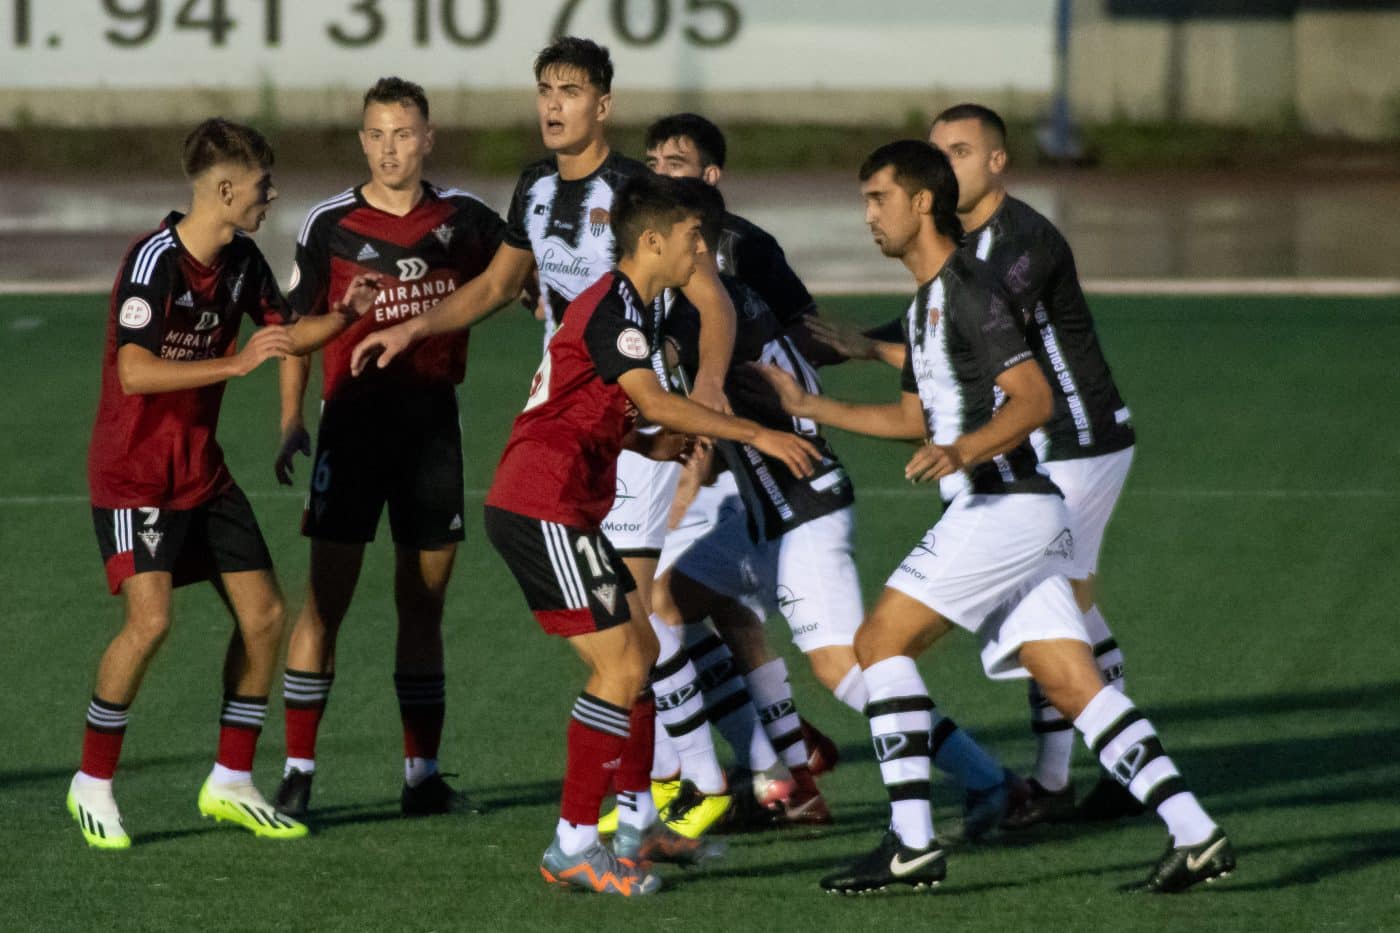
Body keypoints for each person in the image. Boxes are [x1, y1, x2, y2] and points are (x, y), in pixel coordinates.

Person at [762, 140, 1233, 895]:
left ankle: (910, 844)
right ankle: (1196, 831)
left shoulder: (973, 293)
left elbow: (1035, 397)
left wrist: (964, 451)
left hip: (1004, 504)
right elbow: (917, 418)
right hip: (1013, 512)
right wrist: (811, 407)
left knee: (879, 642)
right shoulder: (925, 306)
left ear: (922, 203)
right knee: (1074, 684)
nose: (868, 217)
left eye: (878, 199)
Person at [353, 38, 739, 837]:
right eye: (543, 89)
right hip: (576, 415)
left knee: (631, 628)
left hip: (632, 414)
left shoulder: (641, 191)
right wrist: (415, 327)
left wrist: (702, 389)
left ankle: (636, 809)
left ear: (604, 104)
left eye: (570, 89)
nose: (552, 104)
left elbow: (713, 298)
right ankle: (636, 809)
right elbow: (497, 285)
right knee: (628, 635)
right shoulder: (533, 185)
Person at [643, 117, 1014, 835]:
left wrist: (679, 468)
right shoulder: (728, 299)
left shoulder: (708, 312)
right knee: (665, 604)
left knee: (849, 672)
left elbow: (699, 407)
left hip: (803, 510)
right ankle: (747, 770)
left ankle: (991, 779)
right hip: (766, 512)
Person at [480, 171, 819, 893]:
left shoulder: (636, 305)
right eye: (694, 237)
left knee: (636, 652)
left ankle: (628, 830)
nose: (703, 247)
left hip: (562, 503)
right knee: (623, 666)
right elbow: (653, 396)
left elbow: (585, 403)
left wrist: (645, 445)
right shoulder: (618, 309)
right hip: (541, 504)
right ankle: (575, 842)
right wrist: (754, 430)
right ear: (657, 241)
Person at [811, 104, 1143, 825]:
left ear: (998, 162)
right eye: (939, 152)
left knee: (1063, 607)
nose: (948, 164)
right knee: (1059, 607)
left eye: (962, 151)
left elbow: (969, 355)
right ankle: (1097, 779)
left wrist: (862, 349)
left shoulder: (1022, 244)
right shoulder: (964, 246)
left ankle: (1064, 783)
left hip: (1074, 438)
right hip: (1030, 443)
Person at [71, 118, 379, 850]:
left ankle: (232, 779)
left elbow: (280, 332)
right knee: (150, 623)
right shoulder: (153, 262)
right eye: (264, 186)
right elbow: (134, 371)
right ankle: (92, 782)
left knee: (267, 613)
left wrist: (344, 316)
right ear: (228, 188)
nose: (271, 197)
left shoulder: (241, 259)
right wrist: (233, 366)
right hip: (134, 476)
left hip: (199, 473)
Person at [270, 77, 506, 819]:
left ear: (427, 137)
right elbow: (296, 329)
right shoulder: (330, 222)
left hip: (433, 428)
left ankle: (422, 775)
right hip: (353, 425)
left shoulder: (466, 219)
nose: (390, 147)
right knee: (325, 602)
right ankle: (299, 771)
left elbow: (521, 283)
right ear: (362, 140)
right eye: (376, 134)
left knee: (423, 603)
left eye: (403, 133)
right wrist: (291, 420)